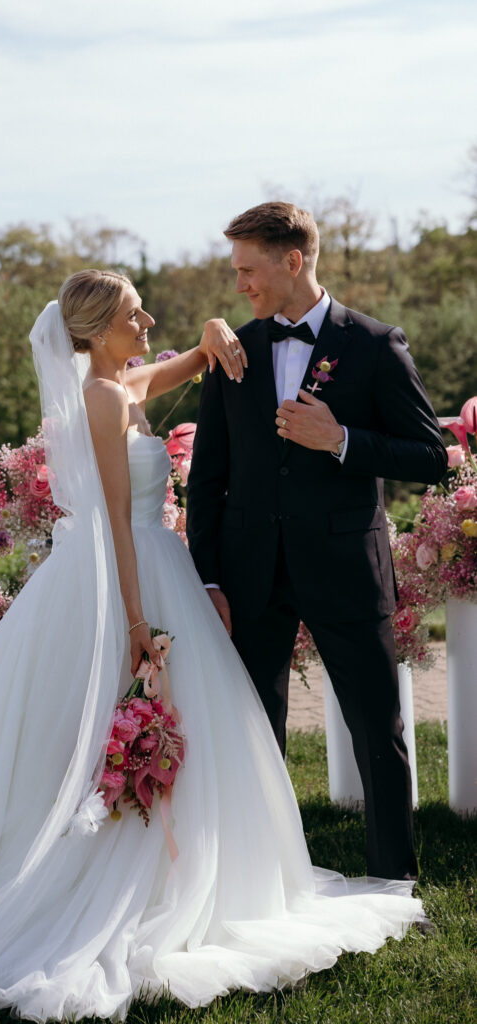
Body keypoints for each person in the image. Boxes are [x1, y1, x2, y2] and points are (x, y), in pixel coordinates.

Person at [0, 270, 426, 1024]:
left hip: (156, 568)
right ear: (97, 331)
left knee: (188, 726)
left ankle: (183, 868)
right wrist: (136, 624)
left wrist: (216, 331)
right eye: (134, 314)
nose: (147, 320)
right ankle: (124, 877)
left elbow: (189, 360)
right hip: (123, 579)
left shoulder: (121, 384)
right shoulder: (100, 399)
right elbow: (113, 524)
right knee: (122, 723)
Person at [186, 202, 448, 883]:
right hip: (248, 577)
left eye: (248, 269)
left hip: (344, 569)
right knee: (251, 732)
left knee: (376, 730)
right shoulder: (231, 352)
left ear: (291, 260)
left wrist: (338, 441)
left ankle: (393, 880)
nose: (239, 283)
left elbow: (429, 455)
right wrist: (207, 579)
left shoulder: (373, 344)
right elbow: (208, 478)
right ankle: (261, 884)